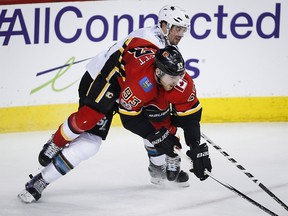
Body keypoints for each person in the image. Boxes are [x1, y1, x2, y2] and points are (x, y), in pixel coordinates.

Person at [18, 6, 212, 203]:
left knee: (159, 118)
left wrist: (195, 144)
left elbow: (187, 112)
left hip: (130, 85)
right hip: (104, 79)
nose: (181, 34)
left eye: (183, 30)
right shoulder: (148, 46)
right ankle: (55, 147)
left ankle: (158, 170)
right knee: (89, 134)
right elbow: (131, 117)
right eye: (177, 28)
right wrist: (158, 135)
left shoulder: (168, 58)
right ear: (164, 25)